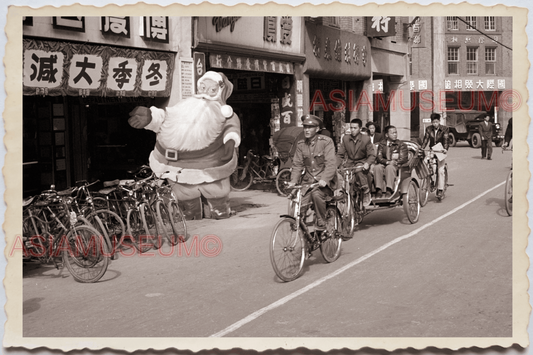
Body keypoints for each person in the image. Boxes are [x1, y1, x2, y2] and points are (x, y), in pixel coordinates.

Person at [287, 114, 337, 231]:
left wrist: (324, 179)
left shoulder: (326, 142)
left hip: (324, 182)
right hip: (307, 182)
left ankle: (321, 220)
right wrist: (293, 182)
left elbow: (330, 164)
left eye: (310, 127)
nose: (307, 130)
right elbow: (297, 165)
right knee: (299, 205)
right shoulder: (300, 144)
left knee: (316, 195)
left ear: (317, 129)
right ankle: (305, 238)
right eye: (305, 127)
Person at [336, 119, 375, 206]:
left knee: (359, 171)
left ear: (360, 128)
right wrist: (335, 166)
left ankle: (366, 191)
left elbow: (371, 155)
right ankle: (342, 192)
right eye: (351, 128)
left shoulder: (366, 139)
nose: (352, 130)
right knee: (339, 172)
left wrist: (367, 163)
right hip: (349, 163)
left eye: (355, 128)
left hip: (361, 162)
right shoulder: (345, 138)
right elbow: (340, 155)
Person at [374, 125, 408, 199]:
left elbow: (403, 158)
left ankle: (389, 190)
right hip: (385, 163)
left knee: (389, 168)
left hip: (396, 165)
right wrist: (387, 162)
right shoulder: (382, 144)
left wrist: (394, 162)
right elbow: (379, 157)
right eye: (393, 133)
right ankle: (378, 190)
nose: (395, 134)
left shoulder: (401, 145)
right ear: (387, 135)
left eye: (396, 132)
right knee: (377, 167)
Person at [421, 113, 449, 198]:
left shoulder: (444, 129)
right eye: (433, 122)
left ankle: (440, 189)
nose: (435, 124)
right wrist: (422, 148)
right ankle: (430, 180)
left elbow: (446, 140)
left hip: (440, 150)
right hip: (432, 149)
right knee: (425, 163)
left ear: (439, 121)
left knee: (440, 170)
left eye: (436, 122)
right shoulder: (428, 129)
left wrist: (445, 149)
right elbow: (426, 140)